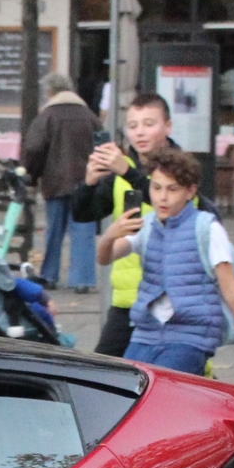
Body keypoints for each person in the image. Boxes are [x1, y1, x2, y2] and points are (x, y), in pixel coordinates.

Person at [99, 146, 234, 379]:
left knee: (160, 385)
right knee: (128, 388)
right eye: (156, 188)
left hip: (191, 335)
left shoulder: (206, 229)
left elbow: (231, 288)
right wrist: (110, 235)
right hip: (146, 332)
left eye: (172, 190)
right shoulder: (147, 225)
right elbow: (105, 257)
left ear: (190, 191)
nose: (162, 197)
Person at [74, 92, 176, 358]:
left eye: (149, 124)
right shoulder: (120, 170)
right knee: (101, 372)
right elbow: (83, 214)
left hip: (171, 297)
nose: (140, 133)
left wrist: (128, 174)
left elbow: (183, 211)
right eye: (133, 126)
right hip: (126, 298)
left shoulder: (182, 167)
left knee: (172, 373)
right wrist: (88, 184)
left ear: (168, 126)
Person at [20, 71, 99, 292]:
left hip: (54, 183)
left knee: (54, 231)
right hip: (86, 183)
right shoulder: (89, 116)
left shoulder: (47, 116)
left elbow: (34, 148)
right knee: (83, 230)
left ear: (50, 92)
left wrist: (30, 175)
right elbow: (103, 145)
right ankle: (82, 279)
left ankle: (50, 275)